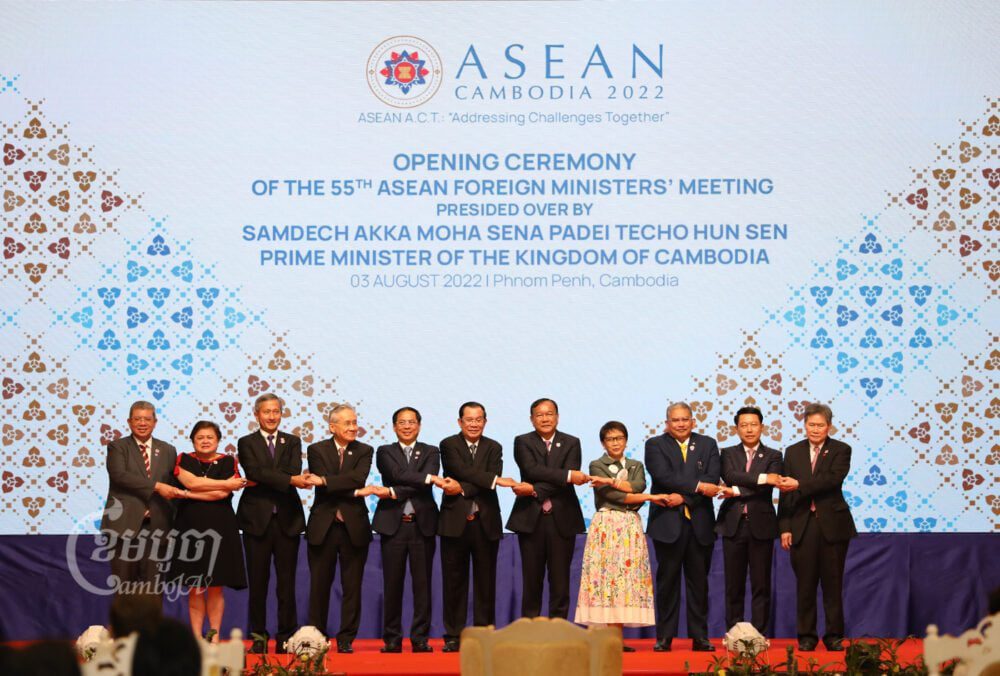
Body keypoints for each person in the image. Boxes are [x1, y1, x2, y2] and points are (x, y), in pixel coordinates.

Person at [576, 421, 668, 651]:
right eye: (610, 439)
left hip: (630, 526)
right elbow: (614, 497)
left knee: (626, 580)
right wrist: (649, 497)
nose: (615, 443)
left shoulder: (636, 465)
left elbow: (639, 486)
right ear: (603, 443)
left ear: (626, 440)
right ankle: (605, 638)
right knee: (606, 579)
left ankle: (617, 638)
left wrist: (615, 483)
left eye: (619, 438)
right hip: (606, 526)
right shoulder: (597, 464)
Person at [438, 401, 518, 652]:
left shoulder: (494, 447)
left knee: (486, 582)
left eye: (478, 419)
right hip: (454, 522)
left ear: (485, 421)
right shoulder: (448, 444)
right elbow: (458, 469)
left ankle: (484, 634)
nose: (474, 424)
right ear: (460, 422)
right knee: (454, 582)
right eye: (469, 420)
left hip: (486, 523)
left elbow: (472, 479)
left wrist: (462, 487)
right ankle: (454, 635)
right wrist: (494, 480)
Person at [777, 403, 856, 652]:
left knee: (832, 584)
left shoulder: (841, 449)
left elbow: (831, 480)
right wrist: (785, 527)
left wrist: (799, 484)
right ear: (804, 425)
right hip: (802, 524)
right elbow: (785, 493)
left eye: (820, 425)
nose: (815, 429)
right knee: (805, 585)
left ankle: (834, 636)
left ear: (829, 426)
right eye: (811, 424)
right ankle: (806, 636)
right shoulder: (792, 452)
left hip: (832, 525)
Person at [236, 393, 311, 654]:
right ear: (256, 414)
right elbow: (253, 472)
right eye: (266, 412)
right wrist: (288, 480)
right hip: (256, 521)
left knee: (286, 584)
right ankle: (258, 637)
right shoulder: (246, 442)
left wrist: (277, 477)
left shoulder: (292, 441)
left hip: (287, 520)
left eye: (276, 411)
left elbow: (292, 469)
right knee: (258, 583)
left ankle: (285, 637)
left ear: (281, 414)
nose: (271, 416)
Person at [645, 401, 721, 652]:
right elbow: (663, 476)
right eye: (675, 420)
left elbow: (712, 479)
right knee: (667, 583)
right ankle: (664, 637)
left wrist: (685, 498)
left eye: (685, 419)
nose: (680, 424)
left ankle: (700, 637)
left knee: (699, 584)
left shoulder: (708, 444)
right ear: (667, 423)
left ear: (693, 421)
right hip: (667, 524)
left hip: (700, 523)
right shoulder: (655, 445)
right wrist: (697, 487)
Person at [506, 398, 588, 619]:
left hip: (562, 518)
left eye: (549, 414)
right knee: (531, 579)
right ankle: (530, 627)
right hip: (531, 519)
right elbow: (531, 470)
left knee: (560, 580)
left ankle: (558, 627)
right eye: (539, 415)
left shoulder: (572, 442)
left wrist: (534, 489)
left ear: (557, 417)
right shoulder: (522, 441)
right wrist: (567, 476)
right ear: (532, 419)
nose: (545, 418)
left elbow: (565, 477)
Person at [305, 404, 373, 654]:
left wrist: (325, 481)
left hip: (353, 526)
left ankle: (346, 638)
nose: (353, 427)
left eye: (355, 422)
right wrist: (352, 490)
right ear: (332, 426)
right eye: (347, 423)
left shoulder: (365, 450)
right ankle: (317, 637)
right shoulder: (316, 449)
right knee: (319, 586)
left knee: (352, 588)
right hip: (323, 526)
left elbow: (357, 479)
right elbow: (337, 483)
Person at [372, 406, 440, 653]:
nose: (407, 426)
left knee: (423, 586)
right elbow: (395, 473)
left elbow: (424, 480)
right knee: (392, 584)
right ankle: (392, 639)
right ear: (394, 427)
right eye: (402, 422)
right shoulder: (384, 451)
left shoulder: (432, 451)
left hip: (423, 526)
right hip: (394, 525)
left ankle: (420, 638)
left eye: (412, 422)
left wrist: (392, 491)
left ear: (419, 426)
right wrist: (425, 478)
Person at [172, 420, 248, 640]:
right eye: (200, 437)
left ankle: (213, 637)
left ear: (218, 440)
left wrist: (189, 492)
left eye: (210, 437)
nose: (205, 441)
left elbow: (220, 495)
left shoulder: (228, 461)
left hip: (221, 529)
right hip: (190, 529)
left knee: (216, 587)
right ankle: (197, 638)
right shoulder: (183, 459)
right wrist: (224, 483)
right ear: (192, 440)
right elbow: (192, 483)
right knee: (195, 587)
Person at [100, 400, 181, 597]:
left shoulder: (168, 450)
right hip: (123, 526)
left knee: (154, 589)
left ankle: (151, 620)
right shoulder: (117, 447)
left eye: (147, 419)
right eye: (137, 419)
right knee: (124, 589)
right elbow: (119, 476)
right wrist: (156, 486)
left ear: (155, 422)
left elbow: (174, 486)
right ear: (129, 422)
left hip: (157, 527)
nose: (142, 423)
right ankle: (125, 620)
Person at [715, 406, 783, 634]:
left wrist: (735, 491)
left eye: (754, 424)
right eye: (744, 425)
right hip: (733, 525)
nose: (749, 429)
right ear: (736, 429)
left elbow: (766, 489)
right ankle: (734, 634)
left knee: (761, 584)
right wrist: (763, 478)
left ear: (762, 427)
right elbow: (730, 475)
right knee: (733, 585)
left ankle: (759, 635)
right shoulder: (727, 453)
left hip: (761, 526)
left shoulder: (774, 455)